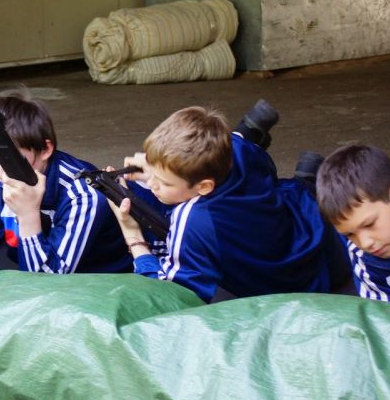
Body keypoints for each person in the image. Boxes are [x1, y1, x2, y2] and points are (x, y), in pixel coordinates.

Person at [108, 106, 346, 302]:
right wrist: (160, 169)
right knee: (257, 163)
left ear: (204, 186)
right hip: (313, 241)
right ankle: (304, 179)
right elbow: (255, 162)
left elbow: (171, 295)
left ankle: (304, 180)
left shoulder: (193, 219)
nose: (151, 184)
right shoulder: (235, 156)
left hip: (294, 293)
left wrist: (132, 236)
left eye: (164, 182)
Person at [0, 94, 132, 274]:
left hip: (99, 279)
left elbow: (47, 282)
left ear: (46, 149)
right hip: (28, 263)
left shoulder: (82, 194)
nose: (2, 173)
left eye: (10, 159)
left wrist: (27, 215)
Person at [317, 144, 390, 305]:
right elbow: (382, 315)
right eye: (350, 235)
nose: (365, 243)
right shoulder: (362, 256)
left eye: (369, 224)